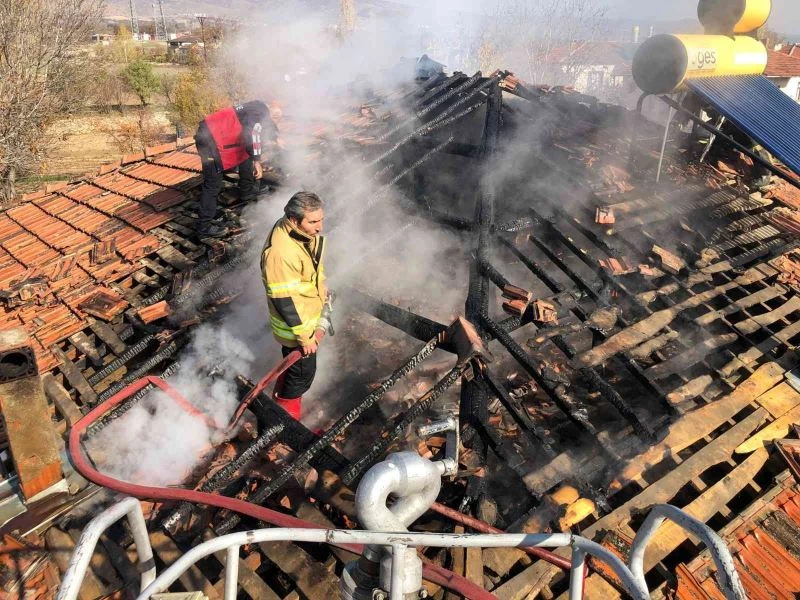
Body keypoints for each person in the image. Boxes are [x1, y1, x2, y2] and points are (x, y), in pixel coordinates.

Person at [261, 192, 328, 420]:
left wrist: (323, 286)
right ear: (293, 219)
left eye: (321, 219)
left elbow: (312, 267)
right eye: (313, 222)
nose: (320, 227)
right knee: (300, 376)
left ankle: (285, 409)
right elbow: (284, 299)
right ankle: (283, 423)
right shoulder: (281, 253)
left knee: (295, 374)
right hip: (297, 330)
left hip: (307, 319)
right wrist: (304, 337)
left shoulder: (299, 234)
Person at [194, 101, 278, 237]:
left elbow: (263, 127)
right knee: (212, 185)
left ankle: (247, 192)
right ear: (272, 108)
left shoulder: (257, 108)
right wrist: (257, 161)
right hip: (210, 140)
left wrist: (276, 138)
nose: (280, 116)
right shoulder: (260, 111)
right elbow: (253, 133)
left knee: (245, 154)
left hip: (213, 134)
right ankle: (204, 227)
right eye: (278, 113)